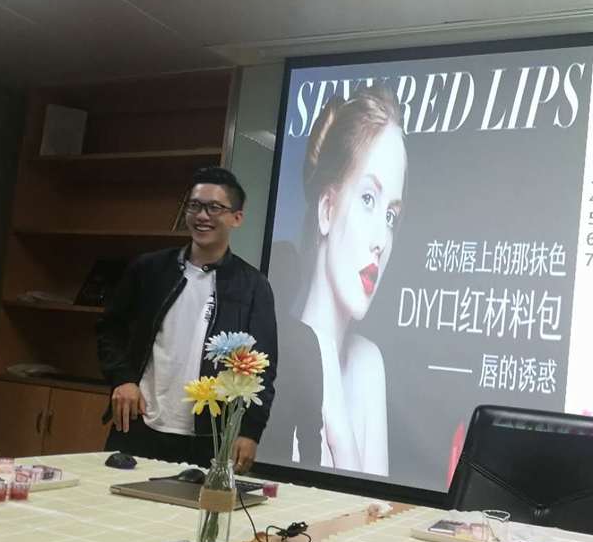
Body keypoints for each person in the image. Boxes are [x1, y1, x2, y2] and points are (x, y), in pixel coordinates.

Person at [97, 168, 278, 472]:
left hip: (209, 436)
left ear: (236, 218)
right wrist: (122, 378)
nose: (202, 216)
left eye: (214, 207)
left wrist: (250, 431)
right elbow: (109, 329)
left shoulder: (252, 286)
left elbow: (262, 367)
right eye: (194, 206)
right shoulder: (149, 269)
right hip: (139, 423)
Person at [298, 86, 407, 475]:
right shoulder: (275, 358)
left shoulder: (367, 363)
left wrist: (341, 433)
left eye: (391, 215)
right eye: (368, 199)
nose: (381, 240)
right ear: (327, 209)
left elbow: (371, 503)